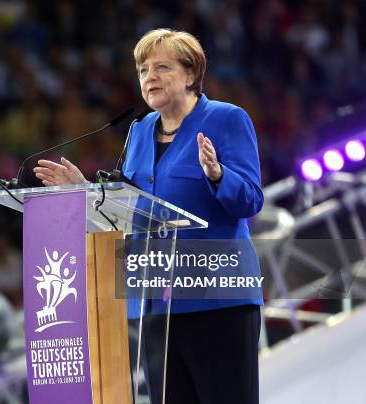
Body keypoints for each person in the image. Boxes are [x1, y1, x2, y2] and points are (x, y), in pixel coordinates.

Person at [33, 28, 263, 404]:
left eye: (162, 67)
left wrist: (219, 175)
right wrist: (85, 191)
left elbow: (251, 200)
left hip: (218, 301)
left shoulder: (226, 120)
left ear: (190, 75)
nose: (149, 77)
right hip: (155, 303)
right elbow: (129, 207)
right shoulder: (139, 132)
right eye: (143, 70)